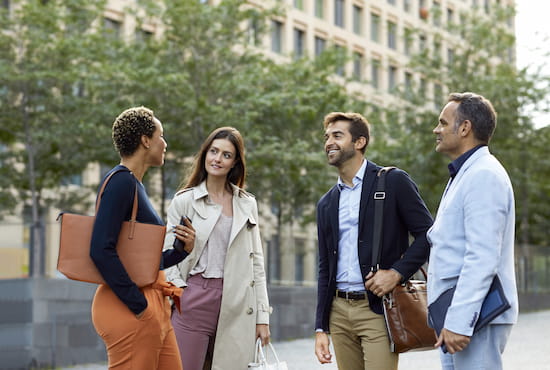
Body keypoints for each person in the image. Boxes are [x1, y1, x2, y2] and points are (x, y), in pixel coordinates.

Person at [314, 112, 433, 369]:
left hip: (378, 310)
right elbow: (325, 266)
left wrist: (397, 273)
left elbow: (428, 234)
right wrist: (320, 327)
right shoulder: (326, 203)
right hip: (338, 313)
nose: (328, 142)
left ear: (359, 142)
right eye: (326, 137)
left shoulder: (393, 182)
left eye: (337, 135)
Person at [90, 106, 192, 369]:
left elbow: (139, 261)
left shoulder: (135, 185)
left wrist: (181, 252)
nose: (165, 143)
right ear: (146, 140)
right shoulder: (121, 182)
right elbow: (101, 249)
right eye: (161, 135)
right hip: (131, 306)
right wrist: (139, 306)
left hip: (152, 304)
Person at [163, 127, 271, 370]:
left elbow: (257, 265)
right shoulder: (185, 201)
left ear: (235, 163)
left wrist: (262, 318)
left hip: (237, 304)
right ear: (205, 155)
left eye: (226, 155)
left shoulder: (247, 204)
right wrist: (181, 293)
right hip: (193, 300)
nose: (217, 159)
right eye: (213, 151)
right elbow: (166, 255)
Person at [427, 92, 518, 369]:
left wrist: (459, 321)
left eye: (443, 123)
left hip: (475, 317)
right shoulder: (465, 174)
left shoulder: (484, 175)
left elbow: (482, 256)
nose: (436, 129)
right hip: (458, 315)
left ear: (464, 128)